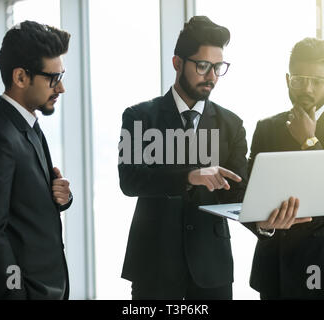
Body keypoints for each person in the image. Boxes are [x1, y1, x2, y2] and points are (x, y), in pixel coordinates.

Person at [118, 16, 302, 300]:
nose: (212, 76)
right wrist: (189, 176)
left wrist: (263, 225)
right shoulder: (139, 116)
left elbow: (237, 193)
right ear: (177, 63)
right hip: (153, 265)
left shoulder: (232, 125)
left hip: (211, 268)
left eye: (218, 67)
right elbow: (130, 181)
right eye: (203, 66)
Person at [245, 37, 324, 300]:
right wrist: (265, 226)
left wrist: (309, 141)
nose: (306, 88)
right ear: (287, 79)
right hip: (278, 269)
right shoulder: (266, 128)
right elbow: (250, 198)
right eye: (299, 79)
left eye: (316, 81)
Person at [0, 20, 73, 300]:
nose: (60, 88)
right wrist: (16, 293)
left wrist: (60, 197)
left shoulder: (27, 126)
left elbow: (22, 207)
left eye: (61, 75)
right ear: (20, 77)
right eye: (53, 78)